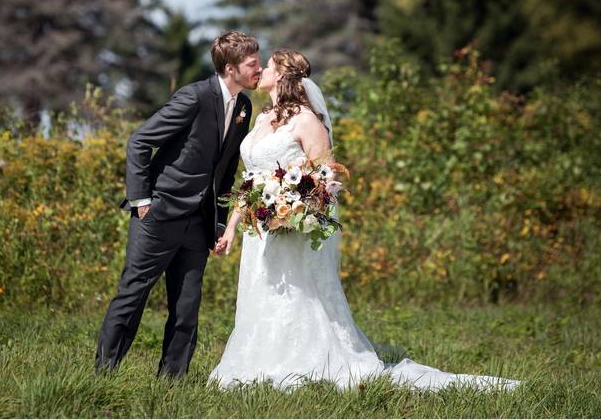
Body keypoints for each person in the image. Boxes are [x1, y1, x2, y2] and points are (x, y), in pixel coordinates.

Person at [209, 49, 522, 392]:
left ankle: (305, 360)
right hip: (261, 232)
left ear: (282, 75)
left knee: (296, 293)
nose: (261, 69)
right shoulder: (261, 119)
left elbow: (324, 179)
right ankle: (258, 360)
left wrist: (293, 210)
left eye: (267, 65)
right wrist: (234, 227)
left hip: (290, 229)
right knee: (262, 291)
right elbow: (252, 180)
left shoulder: (307, 120)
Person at [95, 31, 261, 378]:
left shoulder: (244, 106)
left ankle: (172, 382)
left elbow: (227, 169)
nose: (259, 68)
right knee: (133, 295)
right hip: (159, 215)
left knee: (186, 307)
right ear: (230, 69)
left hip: (199, 225)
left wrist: (218, 221)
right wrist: (142, 201)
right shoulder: (195, 97)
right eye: (252, 63)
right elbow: (139, 141)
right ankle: (102, 374)